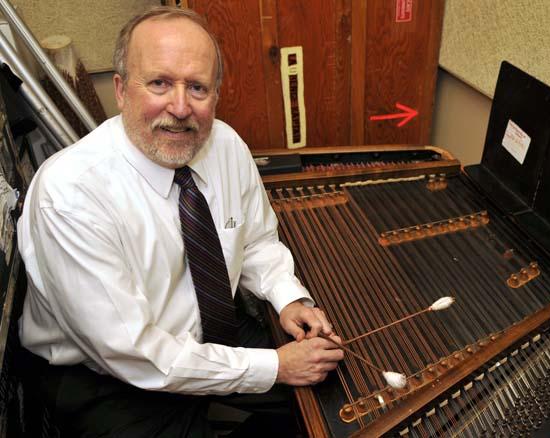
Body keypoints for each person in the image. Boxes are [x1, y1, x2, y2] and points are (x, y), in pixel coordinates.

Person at [17, 6, 344, 437]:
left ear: (216, 95)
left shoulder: (225, 144)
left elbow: (257, 240)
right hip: (107, 375)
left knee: (338, 401)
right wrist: (275, 367)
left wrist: (288, 298)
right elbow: (134, 351)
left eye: (198, 87)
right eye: (159, 83)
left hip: (210, 327)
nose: (180, 106)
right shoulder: (70, 194)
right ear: (121, 90)